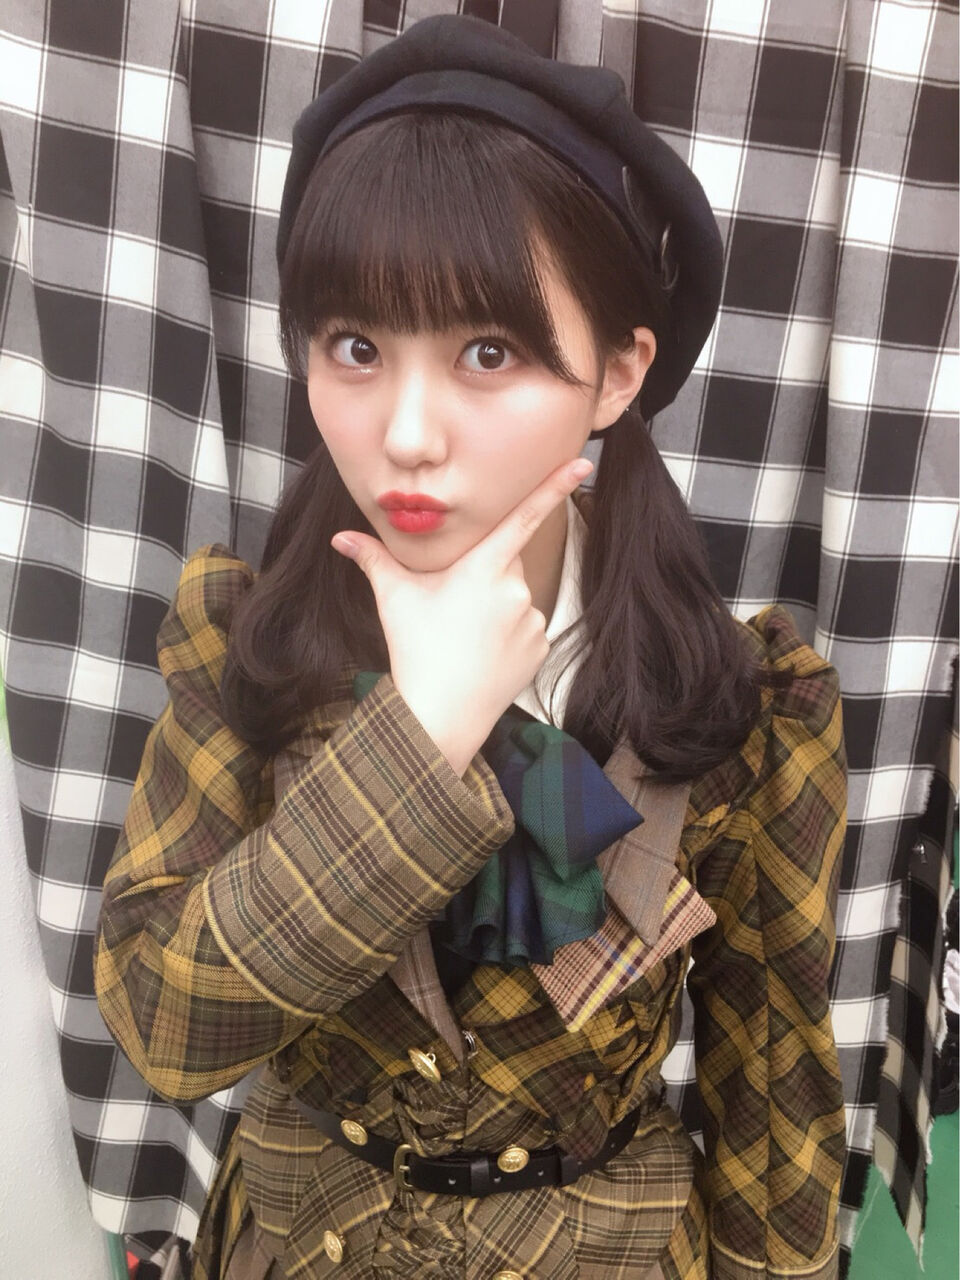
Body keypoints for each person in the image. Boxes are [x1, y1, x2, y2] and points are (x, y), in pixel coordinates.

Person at [94, 14, 848, 1279]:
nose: (406, 432)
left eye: (486, 352)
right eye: (356, 348)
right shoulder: (243, 637)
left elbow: (773, 1093)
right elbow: (165, 1022)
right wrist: (419, 739)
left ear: (619, 372)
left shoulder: (742, 697)